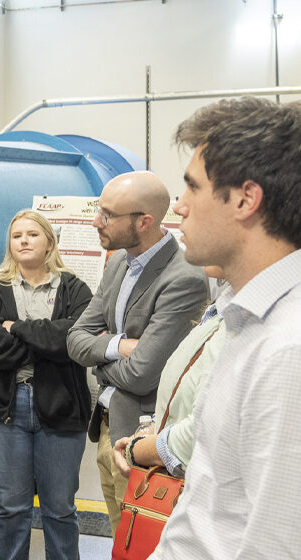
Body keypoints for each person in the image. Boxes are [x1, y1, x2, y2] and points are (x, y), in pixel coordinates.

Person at [152, 97, 301, 559]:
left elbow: (277, 545)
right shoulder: (248, 318)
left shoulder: (286, 349)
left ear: (244, 199)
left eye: (192, 188)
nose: (178, 207)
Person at [65, 171, 208, 534]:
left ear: (144, 222)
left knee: (140, 541)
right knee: (119, 541)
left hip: (141, 439)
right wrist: (118, 346)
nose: (97, 221)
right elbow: (75, 338)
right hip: (106, 426)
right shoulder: (117, 263)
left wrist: (99, 363)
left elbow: (142, 373)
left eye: (108, 215)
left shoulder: (183, 278)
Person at [0, 209, 93, 560]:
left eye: (32, 234)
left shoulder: (74, 288)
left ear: (49, 242)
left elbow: (74, 341)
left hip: (62, 406)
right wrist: (48, 342)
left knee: (59, 508)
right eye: (16, 235)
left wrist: (18, 328)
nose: (23, 240)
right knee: (12, 507)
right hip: (5, 409)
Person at [111, 267, 226, 481]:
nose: (183, 231)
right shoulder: (222, 311)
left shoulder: (246, 320)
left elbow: (203, 435)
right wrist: (155, 429)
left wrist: (137, 450)